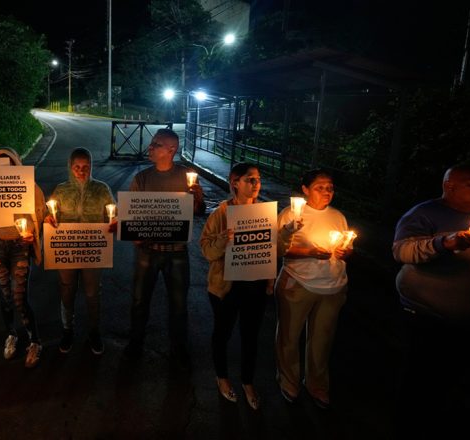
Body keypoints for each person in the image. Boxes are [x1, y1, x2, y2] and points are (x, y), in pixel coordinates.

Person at [392, 164, 470, 437]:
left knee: (452, 380)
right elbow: (402, 251)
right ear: (450, 186)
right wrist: (444, 243)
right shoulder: (425, 213)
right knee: (422, 380)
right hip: (428, 317)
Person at [123, 128, 205, 369]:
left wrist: (198, 197)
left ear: (171, 150)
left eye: (156, 144)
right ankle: (135, 343)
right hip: (147, 252)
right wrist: (135, 235)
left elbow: (198, 212)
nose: (150, 147)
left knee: (178, 304)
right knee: (139, 301)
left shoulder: (187, 178)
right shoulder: (142, 179)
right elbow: (132, 216)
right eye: (151, 143)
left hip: (177, 252)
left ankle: (179, 348)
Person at [274, 169, 351, 409]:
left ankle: (317, 384)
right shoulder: (290, 215)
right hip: (298, 283)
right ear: (305, 190)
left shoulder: (337, 216)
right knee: (289, 336)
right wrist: (310, 252)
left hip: (333, 285)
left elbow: (344, 246)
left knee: (322, 340)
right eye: (320, 187)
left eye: (330, 187)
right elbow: (277, 248)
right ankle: (289, 380)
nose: (327, 192)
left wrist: (345, 251)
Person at [200, 163, 271, 410]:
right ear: (235, 183)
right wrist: (222, 240)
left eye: (258, 179)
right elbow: (207, 251)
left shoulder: (264, 214)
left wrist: (286, 234)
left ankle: (248, 381)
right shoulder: (221, 213)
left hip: (256, 286)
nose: (255, 184)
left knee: (251, 337)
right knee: (222, 334)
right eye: (249, 179)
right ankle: (222, 377)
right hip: (226, 287)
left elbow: (273, 250)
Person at [0, 147, 46, 368]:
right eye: (0, 164)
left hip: (19, 246)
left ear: (16, 163)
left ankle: (35, 341)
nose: (6, 168)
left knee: (19, 296)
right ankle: (11, 334)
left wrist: (32, 233)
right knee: (4, 296)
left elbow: (40, 214)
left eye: (10, 163)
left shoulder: (29, 187)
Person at [45, 147, 116, 355]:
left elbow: (114, 212)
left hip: (93, 252)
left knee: (93, 293)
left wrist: (115, 222)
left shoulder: (102, 189)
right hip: (67, 251)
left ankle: (94, 331)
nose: (81, 171)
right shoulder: (61, 189)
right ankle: (67, 329)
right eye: (77, 167)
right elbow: (50, 215)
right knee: (67, 290)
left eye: (86, 167)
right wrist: (49, 219)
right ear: (70, 167)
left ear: (91, 166)